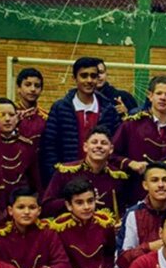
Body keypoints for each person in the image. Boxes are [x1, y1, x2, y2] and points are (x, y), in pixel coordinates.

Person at [40, 56, 122, 188]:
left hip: (100, 180)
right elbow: (49, 147)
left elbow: (116, 146)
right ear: (74, 78)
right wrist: (56, 176)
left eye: (93, 76)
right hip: (67, 180)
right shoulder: (60, 108)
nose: (89, 80)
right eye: (84, 76)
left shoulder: (109, 110)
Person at [111, 75, 166, 201]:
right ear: (150, 96)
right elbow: (111, 154)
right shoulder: (131, 124)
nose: (162, 98)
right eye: (159, 93)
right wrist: (130, 163)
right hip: (135, 192)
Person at [41, 126, 132, 219]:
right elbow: (46, 207)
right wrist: (76, 202)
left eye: (104, 143)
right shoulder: (65, 172)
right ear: (85, 147)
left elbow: (122, 210)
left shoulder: (118, 177)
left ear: (111, 149)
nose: (99, 146)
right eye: (94, 142)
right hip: (70, 229)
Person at [117, 163, 166, 268]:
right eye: (154, 180)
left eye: (165, 180)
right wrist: (149, 247)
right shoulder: (134, 214)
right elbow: (123, 260)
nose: (161, 185)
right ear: (145, 185)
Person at [0, 98, 40, 221]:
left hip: (21, 205)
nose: (8, 119)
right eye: (2, 115)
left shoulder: (26, 146)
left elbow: (35, 180)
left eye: (12, 115)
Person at [14, 67, 47, 146]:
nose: (33, 89)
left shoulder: (46, 118)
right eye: (28, 85)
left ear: (41, 90)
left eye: (37, 86)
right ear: (18, 88)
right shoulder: (10, 114)